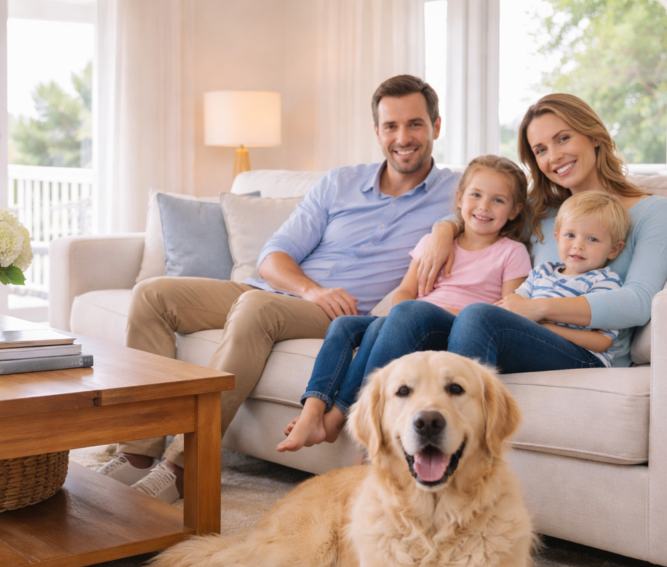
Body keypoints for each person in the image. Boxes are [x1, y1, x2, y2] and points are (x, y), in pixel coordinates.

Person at [98, 74, 461, 503]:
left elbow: (502, 208)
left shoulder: (455, 192)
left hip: (340, 315)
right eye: (391, 126)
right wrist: (310, 289)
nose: (403, 137)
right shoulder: (340, 182)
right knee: (154, 295)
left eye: (415, 124)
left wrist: (447, 225)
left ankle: (185, 464)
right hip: (294, 294)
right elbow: (273, 257)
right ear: (377, 132)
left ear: (436, 127)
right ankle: (139, 452)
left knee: (256, 308)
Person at [348, 93, 667, 387]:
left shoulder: (653, 212)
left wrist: (537, 307)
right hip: (526, 335)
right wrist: (444, 230)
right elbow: (481, 217)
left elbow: (639, 302)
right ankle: (375, 445)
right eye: (540, 150)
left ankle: (460, 446)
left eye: (563, 138)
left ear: (594, 136)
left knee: (479, 315)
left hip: (585, 351)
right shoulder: (542, 211)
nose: (554, 156)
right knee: (410, 313)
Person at [276, 155, 533, 453]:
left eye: (498, 200)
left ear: (515, 210)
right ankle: (313, 410)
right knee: (344, 325)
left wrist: (418, 312)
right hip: (408, 318)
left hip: (448, 326)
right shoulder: (433, 243)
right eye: (476, 195)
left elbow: (504, 312)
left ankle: (338, 417)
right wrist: (398, 312)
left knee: (398, 319)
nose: (484, 206)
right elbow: (406, 290)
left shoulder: (512, 253)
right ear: (460, 198)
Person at [508, 190, 629, 368]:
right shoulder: (543, 271)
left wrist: (548, 330)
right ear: (557, 238)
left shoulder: (604, 281)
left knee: (481, 319)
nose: (578, 245)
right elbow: (516, 300)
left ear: (614, 249)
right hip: (536, 345)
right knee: (474, 316)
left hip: (584, 357)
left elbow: (603, 341)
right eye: (570, 235)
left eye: (592, 239)